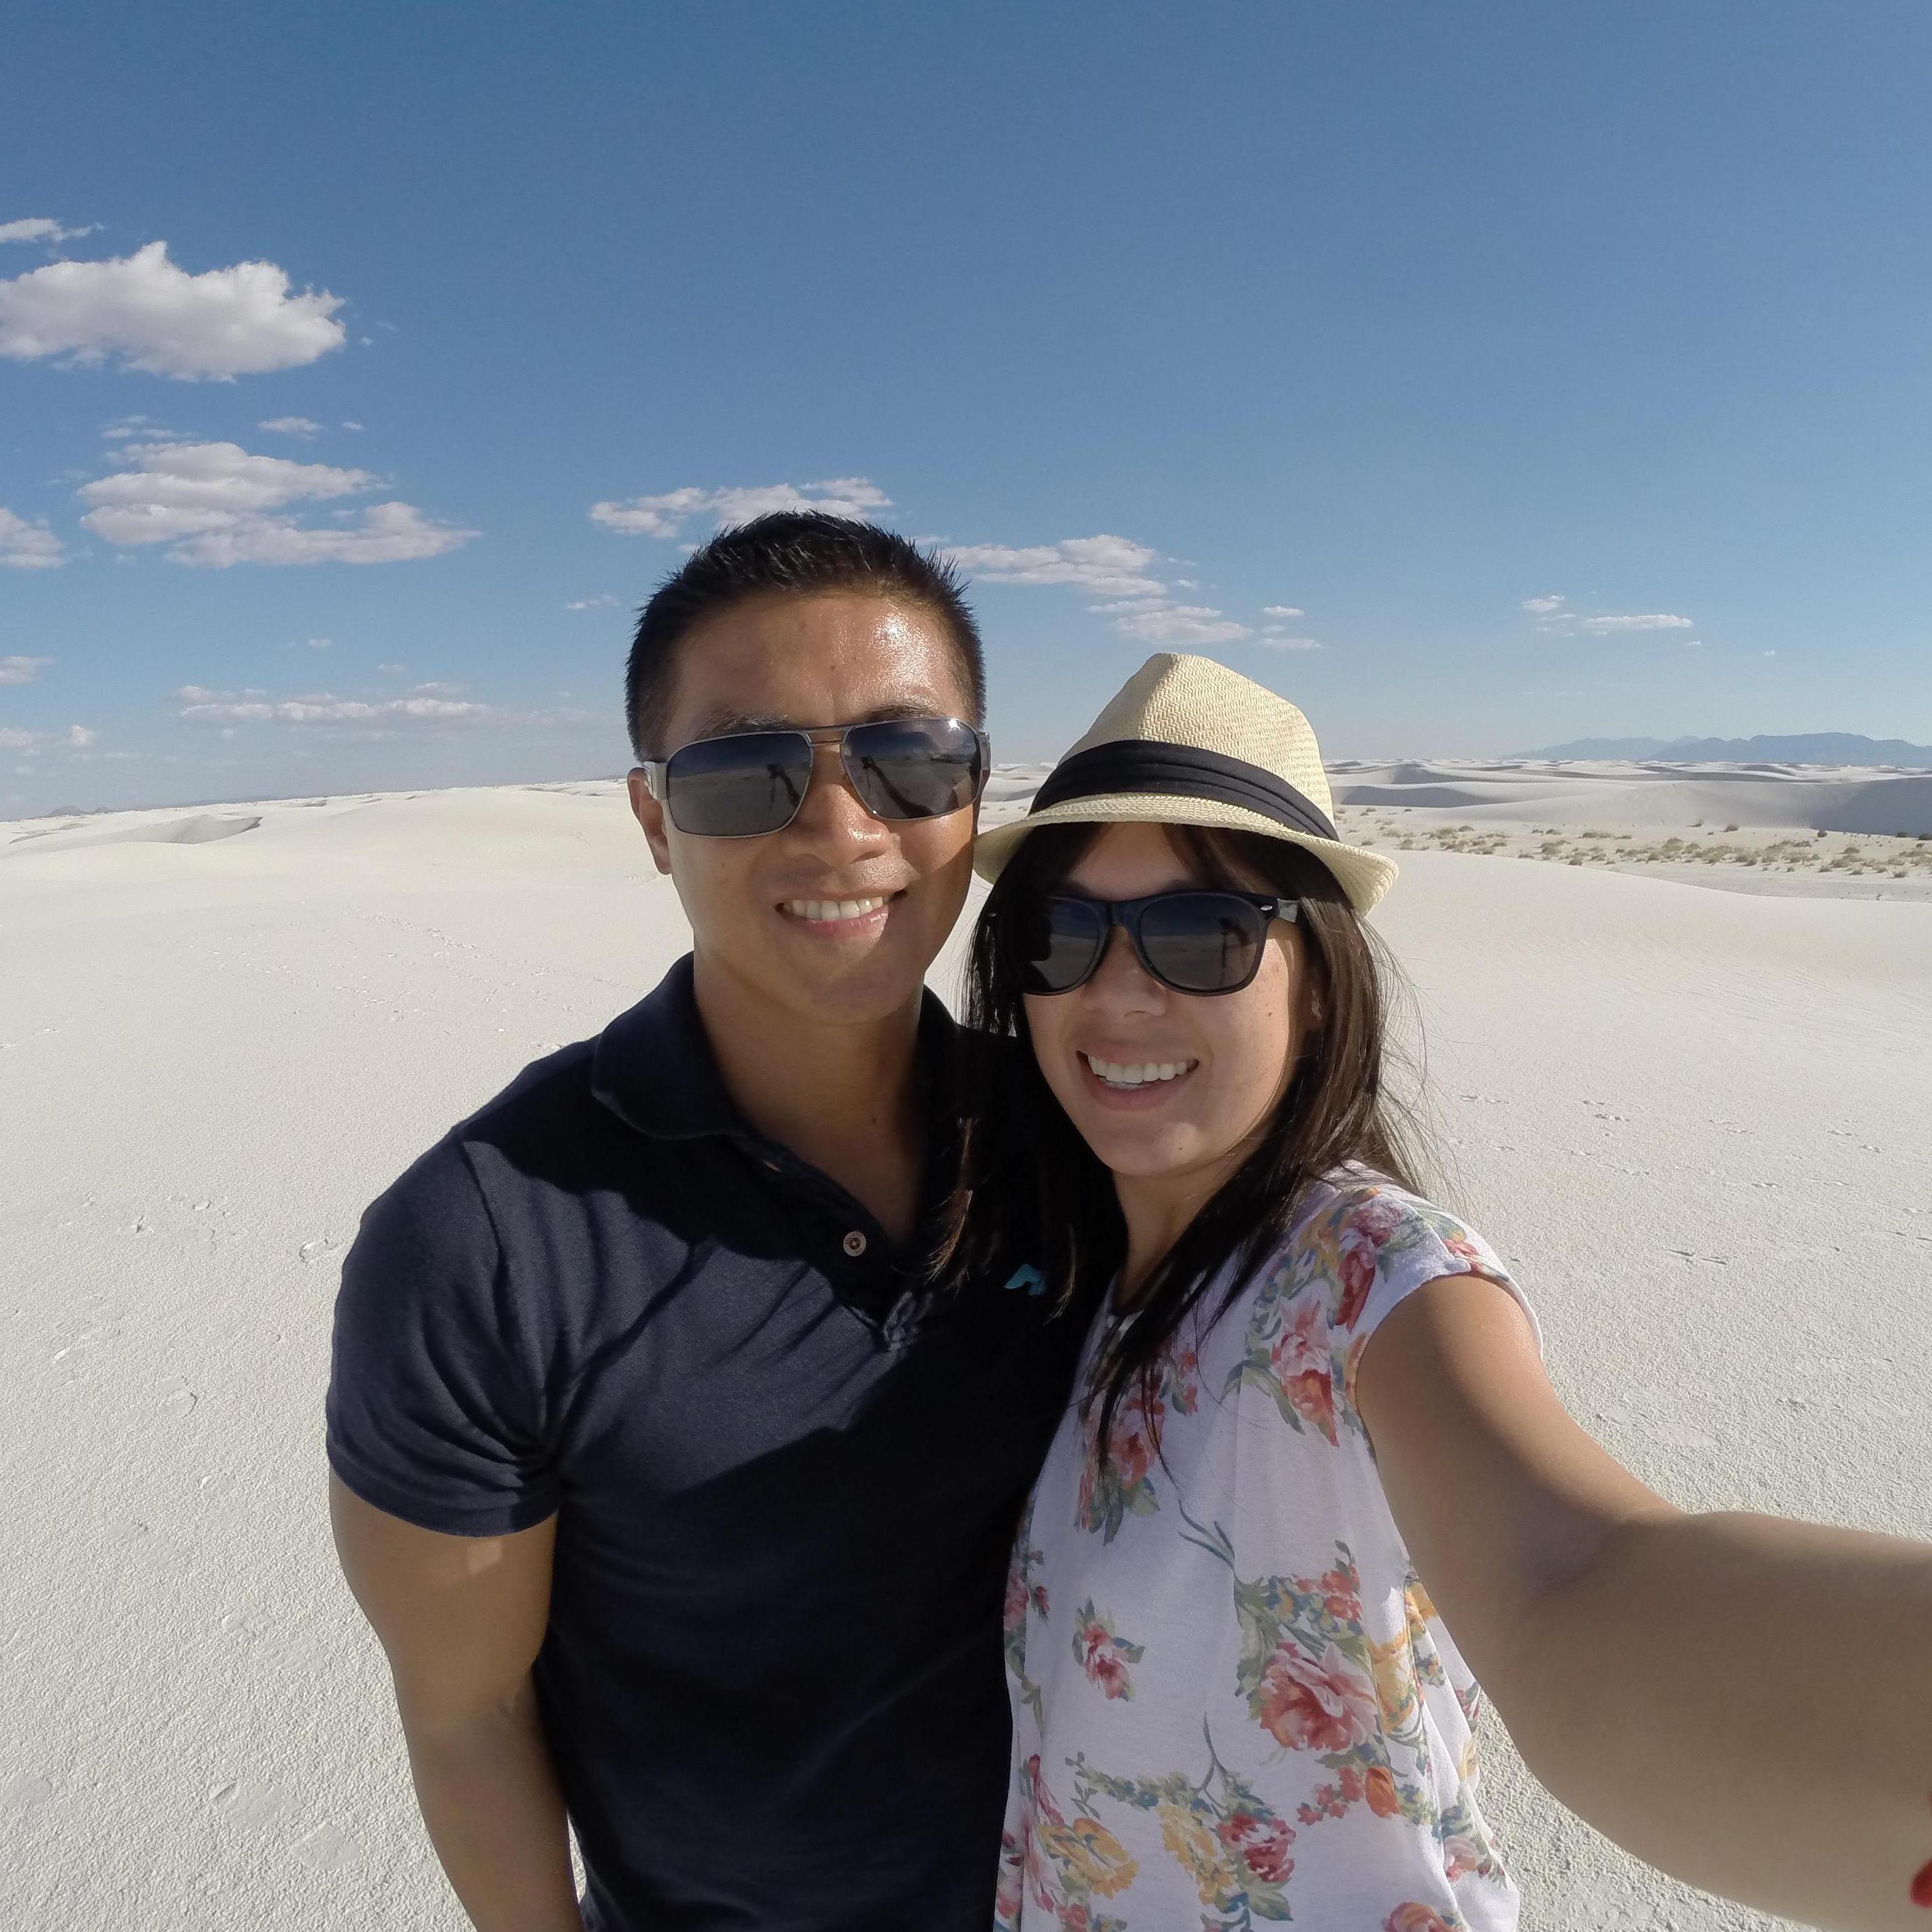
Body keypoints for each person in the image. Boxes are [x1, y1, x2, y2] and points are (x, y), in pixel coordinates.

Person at [947, 651, 1932, 1932]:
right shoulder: (1073, 1271)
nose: (1115, 990)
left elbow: (1576, 1574)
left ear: (1315, 986)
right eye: (1058, 931)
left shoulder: (1369, 1279)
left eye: (1200, 934)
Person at [325, 513, 1094, 1932]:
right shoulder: (485, 1242)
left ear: (975, 798)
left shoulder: (1078, 1142)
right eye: (747, 772)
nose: (844, 825)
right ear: (652, 819)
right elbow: (465, 1717)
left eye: (908, 758)